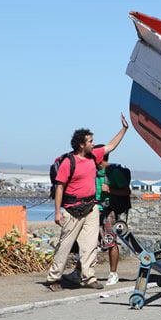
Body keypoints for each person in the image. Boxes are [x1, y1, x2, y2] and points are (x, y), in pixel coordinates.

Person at [46, 115, 128, 291]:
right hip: (72, 208)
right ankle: (54, 278)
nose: (93, 143)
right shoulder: (69, 162)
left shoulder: (94, 156)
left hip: (91, 208)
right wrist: (58, 212)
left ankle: (89, 277)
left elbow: (111, 146)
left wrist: (124, 129)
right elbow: (60, 187)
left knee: (90, 245)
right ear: (81, 144)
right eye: (90, 141)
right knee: (65, 245)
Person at [96, 154, 132, 286]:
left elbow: (126, 191)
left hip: (109, 210)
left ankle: (113, 273)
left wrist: (109, 190)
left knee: (111, 241)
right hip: (95, 209)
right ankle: (79, 272)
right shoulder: (93, 172)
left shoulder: (114, 172)